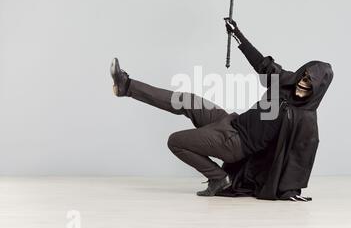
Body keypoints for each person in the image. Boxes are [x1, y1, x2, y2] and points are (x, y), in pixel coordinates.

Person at [110, 18, 333, 201]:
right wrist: (238, 34)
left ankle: (218, 178)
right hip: (231, 121)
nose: (302, 84)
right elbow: (261, 64)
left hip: (234, 143)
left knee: (175, 141)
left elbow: (300, 158)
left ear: (318, 90)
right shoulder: (285, 81)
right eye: (303, 78)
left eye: (309, 85)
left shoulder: (306, 120)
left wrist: (290, 191)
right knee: (186, 100)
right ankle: (126, 86)